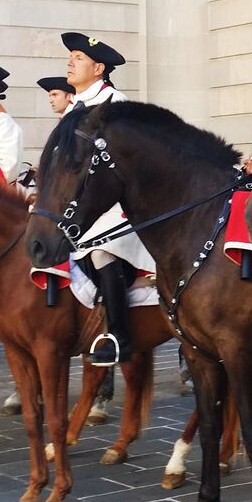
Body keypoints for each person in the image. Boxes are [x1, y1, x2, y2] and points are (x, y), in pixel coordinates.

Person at [59, 33, 153, 366]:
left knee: (102, 252)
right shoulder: (75, 106)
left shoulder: (115, 103)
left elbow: (126, 160)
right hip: (80, 205)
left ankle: (118, 337)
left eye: (79, 58)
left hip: (114, 205)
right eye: (71, 56)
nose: (71, 61)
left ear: (99, 68)